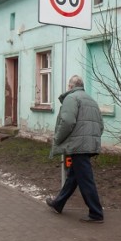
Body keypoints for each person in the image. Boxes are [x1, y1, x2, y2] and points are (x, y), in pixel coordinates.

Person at [45, 75, 105, 223]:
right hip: (88, 144)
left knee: (85, 179)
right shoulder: (91, 100)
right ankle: (58, 203)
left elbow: (67, 121)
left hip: (79, 145)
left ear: (71, 87)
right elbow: (101, 124)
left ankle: (96, 213)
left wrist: (58, 138)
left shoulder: (71, 98)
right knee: (73, 177)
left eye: (68, 86)